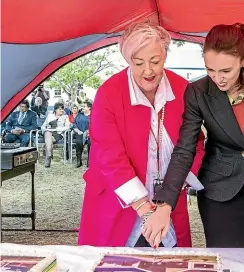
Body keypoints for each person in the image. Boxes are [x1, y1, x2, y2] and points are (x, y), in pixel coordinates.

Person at [148, 23, 244, 272]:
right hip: (218, 188)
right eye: (210, 69)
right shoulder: (197, 91)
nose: (218, 78)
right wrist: (165, 203)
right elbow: (184, 148)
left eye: (226, 70)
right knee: (225, 264)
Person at [78, 22, 205, 248]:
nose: (148, 71)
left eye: (155, 62)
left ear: (165, 55)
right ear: (128, 60)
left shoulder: (184, 89)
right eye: (138, 63)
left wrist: (169, 198)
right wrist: (145, 208)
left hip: (169, 203)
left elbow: (195, 145)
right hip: (116, 202)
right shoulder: (109, 93)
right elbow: (109, 154)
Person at [41, 102, 71, 167]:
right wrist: (45, 129)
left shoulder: (65, 117)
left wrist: (57, 129)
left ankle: (48, 155)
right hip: (48, 132)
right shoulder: (49, 115)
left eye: (62, 109)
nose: (61, 110)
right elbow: (43, 126)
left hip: (58, 133)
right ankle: (49, 155)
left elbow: (68, 127)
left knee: (48, 140)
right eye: (59, 109)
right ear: (55, 110)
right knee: (48, 134)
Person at [72, 101, 92, 168]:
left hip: (91, 134)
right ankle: (79, 160)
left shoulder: (94, 115)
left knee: (90, 142)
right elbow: (74, 124)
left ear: (89, 107)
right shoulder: (79, 115)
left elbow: (97, 125)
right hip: (80, 132)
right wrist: (77, 131)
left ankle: (89, 161)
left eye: (84, 106)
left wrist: (90, 131)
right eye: (82, 106)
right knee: (78, 142)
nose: (82, 108)